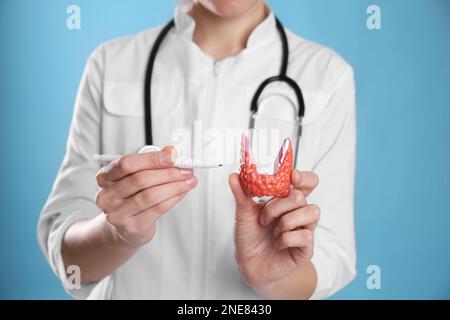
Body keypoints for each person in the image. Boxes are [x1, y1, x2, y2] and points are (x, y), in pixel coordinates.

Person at [38, 0, 356, 299]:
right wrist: (117, 234)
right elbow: (69, 262)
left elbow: (332, 255)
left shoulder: (327, 76)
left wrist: (270, 278)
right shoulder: (110, 65)